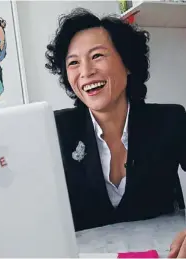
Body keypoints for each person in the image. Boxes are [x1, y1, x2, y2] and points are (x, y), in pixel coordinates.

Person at [45, 8, 186, 258]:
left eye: (97, 56)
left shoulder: (170, 120)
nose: (86, 71)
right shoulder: (53, 130)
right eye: (74, 62)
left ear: (128, 63)